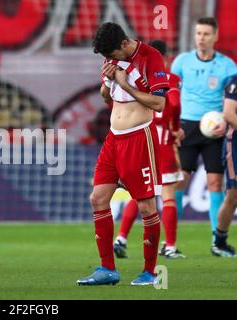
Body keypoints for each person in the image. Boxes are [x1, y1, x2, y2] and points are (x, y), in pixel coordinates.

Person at [76, 22, 169, 286]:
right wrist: (107, 81)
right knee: (97, 198)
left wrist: (125, 84)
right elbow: (108, 99)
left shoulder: (150, 57)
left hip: (140, 138)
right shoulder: (111, 57)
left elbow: (160, 103)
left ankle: (150, 272)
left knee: (146, 206)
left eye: (112, 55)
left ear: (124, 44)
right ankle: (107, 269)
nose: (110, 60)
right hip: (113, 140)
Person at [113, 40, 186, 259]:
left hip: (141, 141)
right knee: (168, 196)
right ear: (166, 57)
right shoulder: (171, 80)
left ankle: (121, 238)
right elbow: (173, 104)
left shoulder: (136, 77)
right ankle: (170, 246)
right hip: (162, 143)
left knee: (140, 196)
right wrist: (175, 129)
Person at [170, 17, 237, 254]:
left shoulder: (228, 66)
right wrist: (171, 125)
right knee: (179, 181)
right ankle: (169, 242)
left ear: (216, 36)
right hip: (186, 127)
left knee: (215, 183)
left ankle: (216, 242)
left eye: (206, 34)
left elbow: (232, 100)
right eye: (198, 33)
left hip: (215, 129)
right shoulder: (182, 62)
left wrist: (225, 122)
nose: (201, 38)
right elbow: (171, 96)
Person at [212, 74, 237, 257]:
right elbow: (229, 113)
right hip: (235, 143)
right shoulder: (234, 81)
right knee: (234, 195)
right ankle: (219, 242)